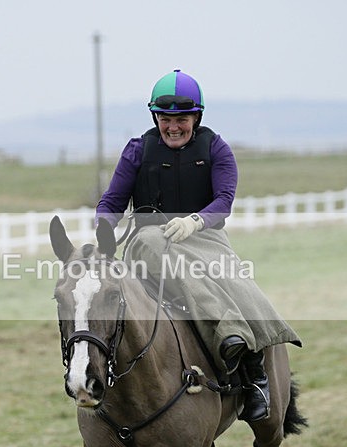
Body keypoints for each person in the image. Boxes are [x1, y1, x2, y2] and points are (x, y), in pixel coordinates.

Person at [95, 69, 301, 422]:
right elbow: (112, 201)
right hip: (148, 246)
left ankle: (256, 376)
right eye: (166, 118)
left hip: (205, 238)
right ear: (155, 117)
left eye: (182, 118)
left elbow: (224, 199)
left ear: (196, 117)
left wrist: (195, 220)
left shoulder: (216, 148)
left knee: (241, 286)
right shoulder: (137, 151)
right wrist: (102, 233)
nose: (173, 126)